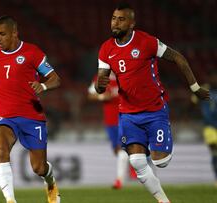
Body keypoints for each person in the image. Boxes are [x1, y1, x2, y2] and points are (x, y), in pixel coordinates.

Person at [95, 3, 210, 203]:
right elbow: (100, 85)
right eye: (114, 18)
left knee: (161, 162)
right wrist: (100, 86)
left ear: (132, 23)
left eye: (121, 19)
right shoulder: (106, 49)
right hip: (129, 113)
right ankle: (164, 201)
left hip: (155, 109)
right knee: (137, 161)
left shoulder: (146, 42)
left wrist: (195, 88)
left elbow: (179, 58)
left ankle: (162, 136)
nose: (115, 22)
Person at [0, 16, 61, 203]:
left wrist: (43, 86)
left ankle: (49, 179)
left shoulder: (32, 52)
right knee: (1, 150)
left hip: (31, 116)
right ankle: (10, 201)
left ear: (14, 33)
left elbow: (55, 78)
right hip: (3, 116)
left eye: (2, 34)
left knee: (38, 168)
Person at [87, 73, 136, 189]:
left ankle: (120, 179)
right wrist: (102, 97)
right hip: (110, 120)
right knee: (117, 150)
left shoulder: (125, 74)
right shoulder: (102, 77)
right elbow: (90, 95)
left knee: (121, 148)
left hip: (125, 117)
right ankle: (132, 162)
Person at [192, 82, 217, 186]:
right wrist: (199, 89)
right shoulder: (205, 91)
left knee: (215, 154)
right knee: (214, 152)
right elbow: (193, 100)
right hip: (210, 127)